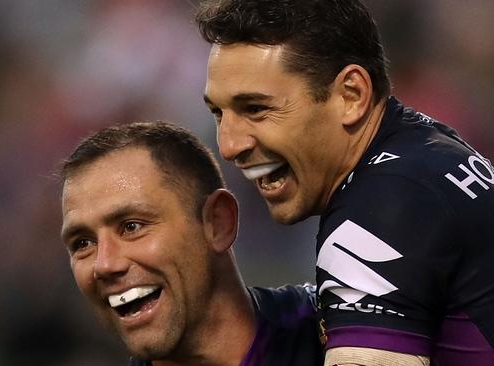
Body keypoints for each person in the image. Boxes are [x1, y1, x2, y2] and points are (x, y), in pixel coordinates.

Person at [197, 1, 494, 365]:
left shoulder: (382, 207)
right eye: (219, 113)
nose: (230, 144)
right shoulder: (429, 152)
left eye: (256, 109)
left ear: (350, 95)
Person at [59, 121, 323, 366]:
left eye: (131, 227)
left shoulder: (342, 327)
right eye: (82, 243)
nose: (104, 264)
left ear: (218, 223)